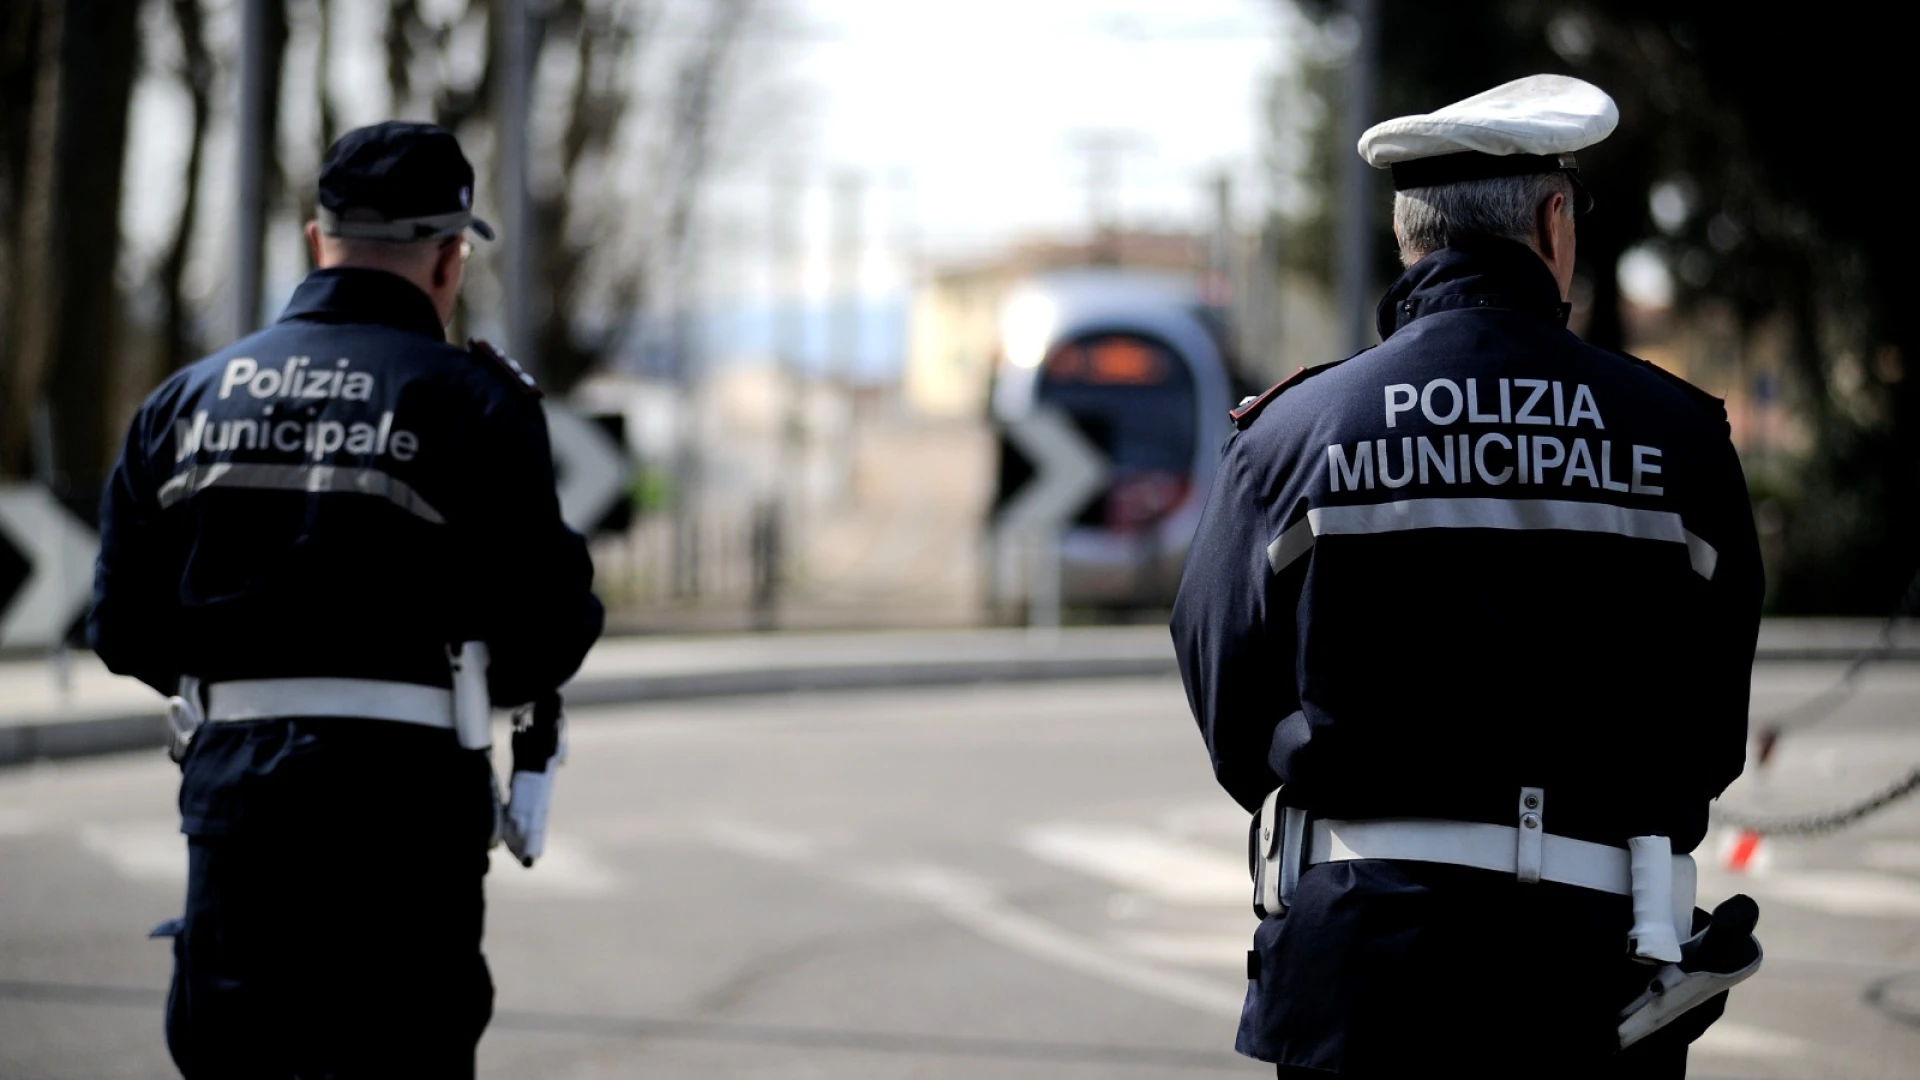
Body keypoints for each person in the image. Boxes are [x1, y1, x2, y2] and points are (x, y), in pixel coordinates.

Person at [1170, 76, 1764, 1079]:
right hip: (1596, 975)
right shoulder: (1677, 436)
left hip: (1358, 972)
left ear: (1412, 237)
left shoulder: (1291, 435)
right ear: (1552, 221)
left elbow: (1227, 697)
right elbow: (1708, 732)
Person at [89, 120, 604, 1078]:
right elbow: (548, 630)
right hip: (405, 809)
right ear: (451, 258)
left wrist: (247, 680)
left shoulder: (187, 399)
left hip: (237, 793)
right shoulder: (476, 403)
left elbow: (120, 624)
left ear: (313, 239)